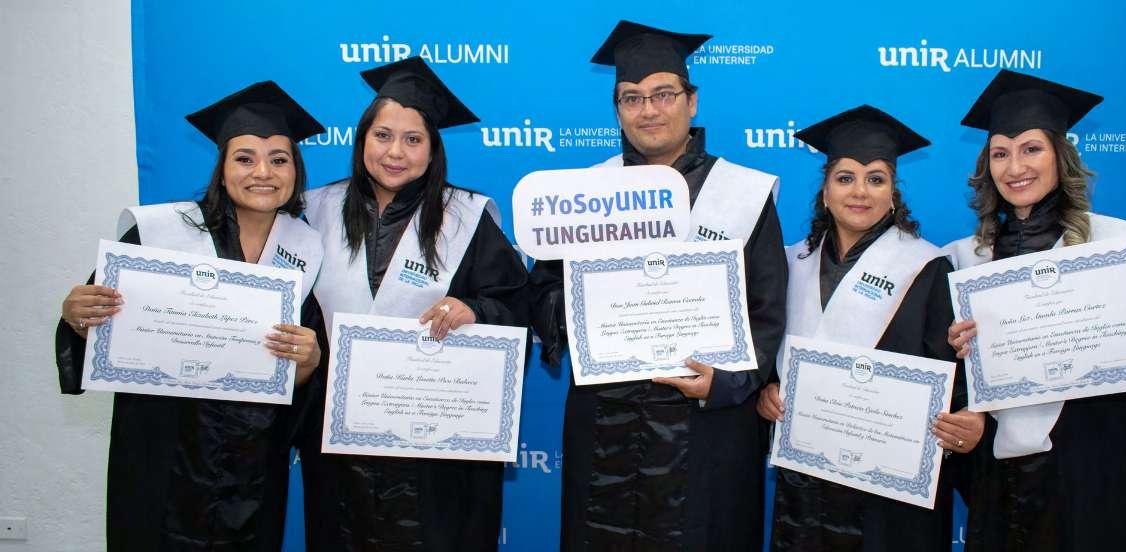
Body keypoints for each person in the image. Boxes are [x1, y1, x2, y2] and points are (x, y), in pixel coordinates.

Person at [527, 20, 788, 551]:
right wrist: (582, 315)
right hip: (607, 425)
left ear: (692, 101)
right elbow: (542, 293)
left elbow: (766, 310)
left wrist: (725, 383)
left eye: (663, 94)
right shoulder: (584, 196)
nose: (648, 110)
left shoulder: (743, 194)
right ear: (618, 110)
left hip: (705, 429)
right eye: (631, 98)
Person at [944, 69, 1126, 551]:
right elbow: (956, 392)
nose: (1015, 167)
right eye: (1001, 153)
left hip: (1099, 468)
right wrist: (958, 355)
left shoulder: (1123, 245)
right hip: (1004, 479)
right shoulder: (966, 260)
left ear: (1059, 154)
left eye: (1031, 149)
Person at [55, 81, 326, 550]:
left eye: (279, 160)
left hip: (253, 465)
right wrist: (78, 317)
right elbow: (97, 326)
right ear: (222, 169)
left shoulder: (306, 249)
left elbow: (297, 376)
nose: (263, 172)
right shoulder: (162, 233)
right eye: (245, 159)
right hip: (163, 451)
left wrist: (308, 362)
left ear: (295, 171)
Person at [296, 56, 528, 551]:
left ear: (432, 149)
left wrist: (476, 311)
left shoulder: (465, 218)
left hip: (437, 453)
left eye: (413, 139)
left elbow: (516, 308)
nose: (395, 152)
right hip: (340, 443)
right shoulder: (316, 211)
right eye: (382, 135)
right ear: (362, 140)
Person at [754, 105, 983, 551]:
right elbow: (767, 351)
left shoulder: (927, 268)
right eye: (845, 178)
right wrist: (767, 390)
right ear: (825, 192)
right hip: (805, 488)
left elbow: (955, 379)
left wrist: (967, 418)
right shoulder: (789, 264)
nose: (860, 191)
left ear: (893, 194)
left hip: (891, 496)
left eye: (876, 179)